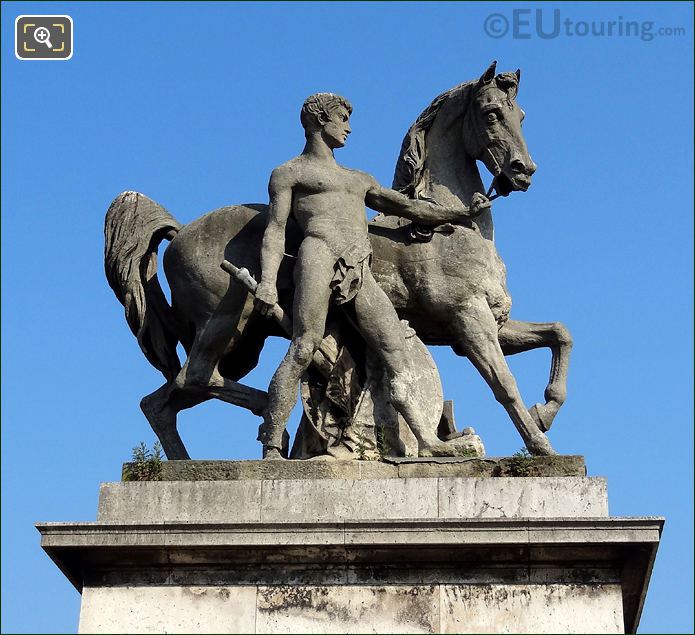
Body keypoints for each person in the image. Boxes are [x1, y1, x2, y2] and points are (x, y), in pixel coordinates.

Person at [255, 93, 489, 459]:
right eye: (342, 118)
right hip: (317, 255)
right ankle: (271, 442)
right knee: (303, 346)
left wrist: (458, 215)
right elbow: (275, 230)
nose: (348, 127)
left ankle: (426, 441)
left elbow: (408, 207)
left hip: (359, 266)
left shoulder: (358, 179)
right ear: (319, 120)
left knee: (396, 348)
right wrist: (268, 281)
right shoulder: (290, 173)